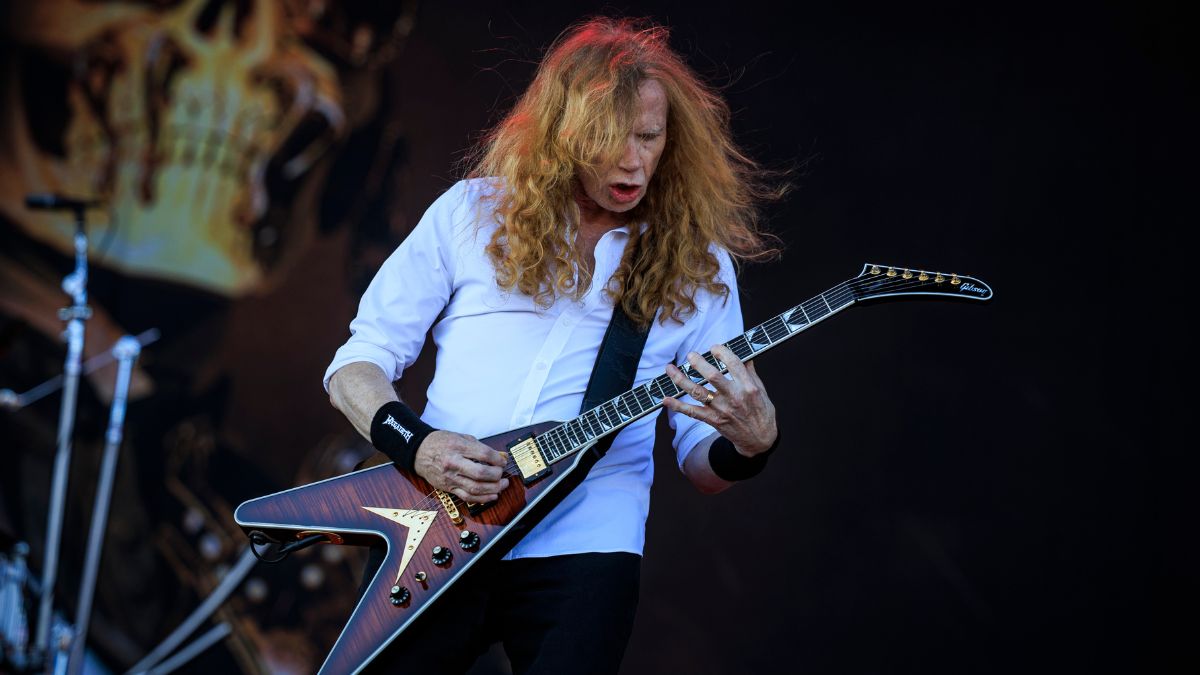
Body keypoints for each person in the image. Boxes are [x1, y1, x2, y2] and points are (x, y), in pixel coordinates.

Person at [324, 16, 782, 674]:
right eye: (605, 140)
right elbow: (355, 366)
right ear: (561, 138)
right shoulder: (472, 213)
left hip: (587, 550)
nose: (631, 160)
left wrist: (749, 445)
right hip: (434, 527)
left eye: (648, 138)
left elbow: (700, 463)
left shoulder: (697, 267)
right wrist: (417, 445)